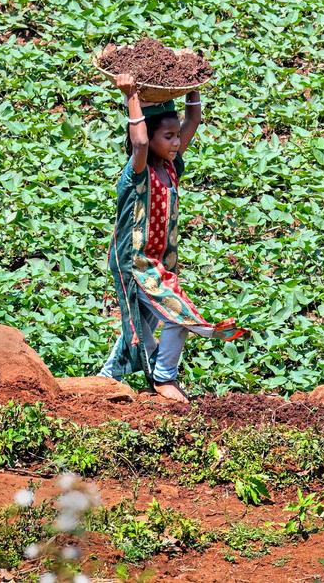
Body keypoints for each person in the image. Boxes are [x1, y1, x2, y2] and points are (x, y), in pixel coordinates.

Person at [98, 73, 246, 402]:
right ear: (150, 139)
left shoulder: (170, 165)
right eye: (168, 137)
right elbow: (137, 142)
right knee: (177, 314)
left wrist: (191, 81)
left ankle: (106, 378)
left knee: (144, 328)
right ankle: (164, 377)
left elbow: (193, 117)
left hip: (159, 264)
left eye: (177, 136)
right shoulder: (136, 173)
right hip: (135, 263)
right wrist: (131, 97)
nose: (177, 142)